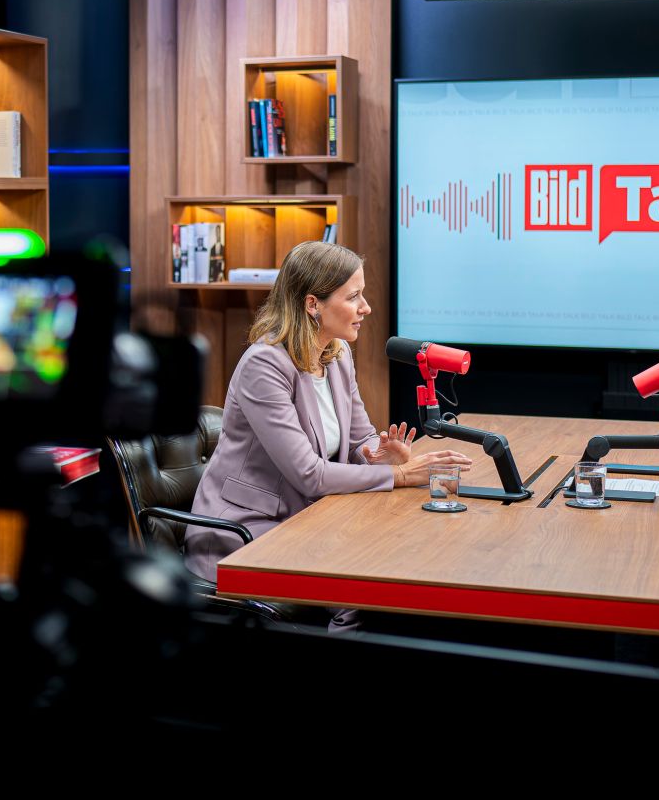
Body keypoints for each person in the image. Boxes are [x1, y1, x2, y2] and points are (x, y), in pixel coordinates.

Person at [183, 241, 472, 629]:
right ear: (312, 304)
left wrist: (379, 454)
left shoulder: (335, 353)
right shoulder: (264, 364)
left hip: (307, 517)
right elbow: (309, 473)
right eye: (354, 297)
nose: (366, 308)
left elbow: (359, 438)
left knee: (397, 564)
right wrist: (400, 476)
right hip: (245, 531)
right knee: (358, 591)